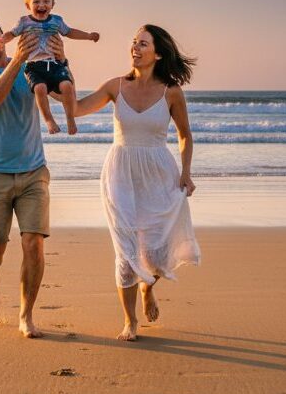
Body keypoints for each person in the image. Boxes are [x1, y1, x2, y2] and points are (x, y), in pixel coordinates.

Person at [74, 24, 201, 341]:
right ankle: (130, 321)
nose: (135, 47)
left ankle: (148, 288)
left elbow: (184, 135)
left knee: (157, 252)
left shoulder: (171, 92)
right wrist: (55, 84)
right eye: (133, 42)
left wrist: (186, 172)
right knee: (126, 250)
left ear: (157, 53)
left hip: (159, 172)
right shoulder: (115, 86)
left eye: (143, 43)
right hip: (120, 171)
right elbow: (76, 109)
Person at [0, 13, 65, 338]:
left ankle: (26, 314)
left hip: (34, 171)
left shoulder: (31, 66)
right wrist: (18, 60)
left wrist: (62, 62)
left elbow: (64, 96)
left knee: (33, 243)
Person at [2, 0, 99, 136]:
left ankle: (70, 119)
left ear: (52, 4)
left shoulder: (57, 21)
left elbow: (69, 32)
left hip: (54, 63)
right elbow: (11, 34)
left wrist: (88, 36)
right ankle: (48, 120)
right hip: (34, 65)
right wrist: (1, 40)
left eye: (46, 1)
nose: (41, 5)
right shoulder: (24, 22)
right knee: (40, 88)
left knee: (67, 85)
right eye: (36, 1)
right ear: (28, 5)